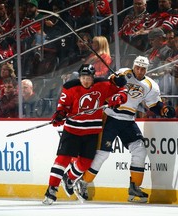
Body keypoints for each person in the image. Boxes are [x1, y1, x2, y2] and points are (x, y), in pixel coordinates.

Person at [64, 56, 175, 203]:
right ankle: (83, 182)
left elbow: (154, 105)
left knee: (140, 149)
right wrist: (116, 82)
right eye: (137, 67)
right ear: (134, 66)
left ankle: (134, 186)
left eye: (143, 69)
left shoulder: (151, 85)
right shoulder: (124, 73)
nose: (140, 71)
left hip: (128, 120)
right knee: (102, 154)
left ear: (147, 69)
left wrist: (164, 110)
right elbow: (107, 86)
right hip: (111, 117)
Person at [42, 63, 128, 205]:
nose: (85, 80)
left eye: (88, 77)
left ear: (93, 77)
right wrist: (60, 114)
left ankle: (69, 179)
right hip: (72, 130)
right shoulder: (70, 87)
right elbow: (63, 106)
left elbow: (123, 92)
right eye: (83, 77)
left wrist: (118, 98)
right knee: (63, 159)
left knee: (85, 163)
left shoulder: (103, 85)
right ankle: (52, 189)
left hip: (91, 131)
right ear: (79, 77)